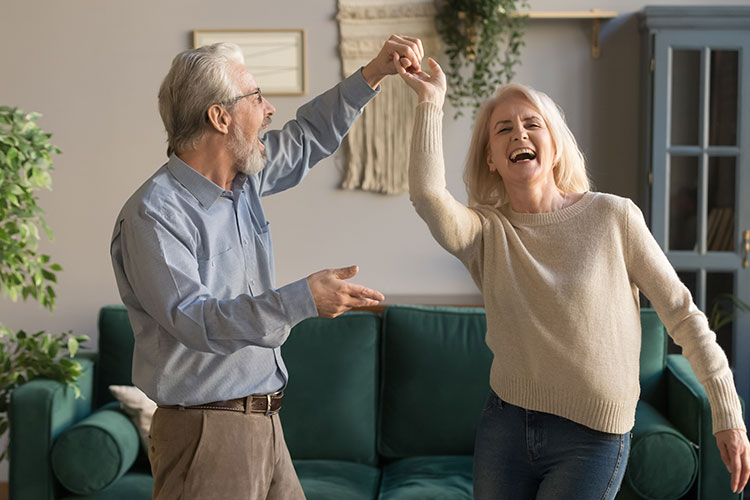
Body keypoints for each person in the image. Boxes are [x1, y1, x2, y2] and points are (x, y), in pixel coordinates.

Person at [396, 56, 750, 499]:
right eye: (503, 129)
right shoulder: (485, 233)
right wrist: (430, 102)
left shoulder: (613, 217)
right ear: (491, 159)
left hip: (594, 437)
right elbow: (428, 195)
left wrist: (727, 411)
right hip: (505, 425)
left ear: (555, 145)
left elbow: (681, 313)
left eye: (531, 124)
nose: (519, 134)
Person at [110, 35, 425, 500]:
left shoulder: (244, 183)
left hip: (264, 423)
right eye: (256, 97)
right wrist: (301, 299)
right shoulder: (155, 214)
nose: (270, 109)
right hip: (206, 433)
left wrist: (374, 73)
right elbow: (194, 319)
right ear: (220, 117)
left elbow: (309, 136)